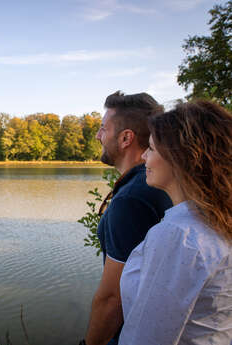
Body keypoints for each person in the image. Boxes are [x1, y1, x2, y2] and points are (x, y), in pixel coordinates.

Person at [119, 101, 232, 344]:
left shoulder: (180, 235)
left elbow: (146, 338)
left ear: (179, 157)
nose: (143, 156)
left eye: (151, 148)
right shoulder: (218, 220)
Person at [82, 91, 172, 345]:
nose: (98, 136)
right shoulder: (157, 183)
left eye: (103, 129)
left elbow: (113, 298)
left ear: (125, 138)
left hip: (132, 334)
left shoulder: (131, 199)